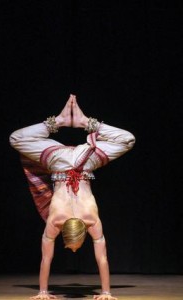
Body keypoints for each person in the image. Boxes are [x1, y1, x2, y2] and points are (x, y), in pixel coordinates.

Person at [9, 95, 135, 300]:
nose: (74, 251)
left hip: (84, 162)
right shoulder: (55, 222)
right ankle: (64, 122)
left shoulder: (91, 222)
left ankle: (83, 122)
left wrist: (106, 292)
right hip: (59, 161)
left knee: (128, 139)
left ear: (82, 233)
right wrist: (42, 292)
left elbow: (102, 258)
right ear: (64, 233)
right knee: (16, 139)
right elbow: (46, 259)